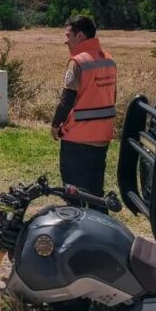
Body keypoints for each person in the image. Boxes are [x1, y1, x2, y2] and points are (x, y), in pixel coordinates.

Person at [50, 15, 117, 208]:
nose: (65, 40)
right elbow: (112, 97)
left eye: (68, 35)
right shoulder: (109, 61)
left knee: (73, 194)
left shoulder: (77, 62)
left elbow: (67, 100)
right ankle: (101, 232)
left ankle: (77, 232)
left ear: (80, 36)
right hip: (102, 137)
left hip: (77, 139)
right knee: (96, 194)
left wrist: (55, 125)